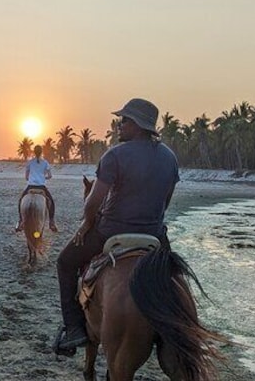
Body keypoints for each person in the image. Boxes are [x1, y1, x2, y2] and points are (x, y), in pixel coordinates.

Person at [53, 97, 180, 355]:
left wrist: (87, 225)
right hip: (153, 234)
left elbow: (93, 203)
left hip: (110, 232)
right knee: (176, 276)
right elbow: (165, 202)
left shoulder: (115, 155)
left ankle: (74, 329)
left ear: (137, 125)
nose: (119, 125)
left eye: (124, 121)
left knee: (65, 263)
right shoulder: (169, 157)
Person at [16, 145, 58, 232]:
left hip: (30, 186)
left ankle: (20, 221)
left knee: (20, 200)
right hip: (41, 187)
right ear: (41, 152)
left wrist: (31, 178)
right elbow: (50, 176)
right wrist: (43, 178)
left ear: (34, 152)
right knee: (51, 202)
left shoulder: (30, 162)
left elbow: (26, 177)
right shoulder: (45, 162)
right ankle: (51, 222)